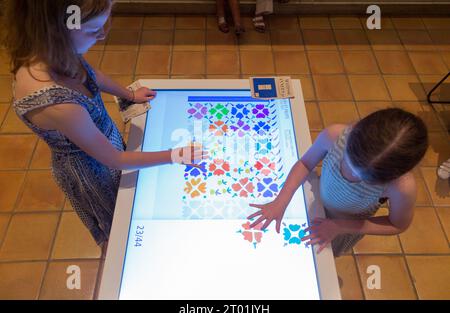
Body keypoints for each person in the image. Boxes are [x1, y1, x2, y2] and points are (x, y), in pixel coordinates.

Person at [2, 0, 207, 246]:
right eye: (92, 30)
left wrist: (128, 95)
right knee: (117, 223)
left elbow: (92, 75)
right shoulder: (58, 104)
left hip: (102, 144)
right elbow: (114, 160)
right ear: (56, 31)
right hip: (92, 172)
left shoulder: (58, 52)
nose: (101, 36)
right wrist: (176, 155)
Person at [248, 108, 429, 257]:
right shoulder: (334, 135)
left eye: (362, 178)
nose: (349, 173)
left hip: (346, 226)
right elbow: (305, 163)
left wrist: (339, 227)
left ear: (394, 176)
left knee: (326, 256)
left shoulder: (401, 188)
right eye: (348, 161)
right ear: (355, 128)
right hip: (316, 202)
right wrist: (281, 200)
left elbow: (397, 224)